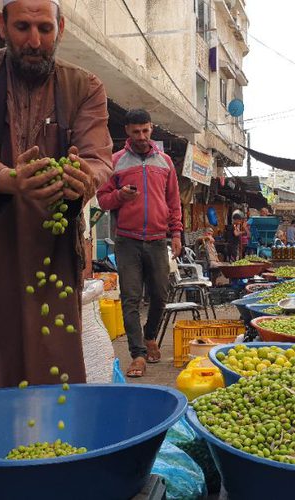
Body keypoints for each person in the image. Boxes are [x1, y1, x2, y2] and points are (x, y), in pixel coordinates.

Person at [0, 0, 113, 393]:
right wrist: (8, 178)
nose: (34, 41)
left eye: (44, 29)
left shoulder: (85, 86)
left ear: (60, 28)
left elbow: (98, 157)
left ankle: (49, 452)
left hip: (53, 254)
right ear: (1, 25)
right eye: (22, 27)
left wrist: (85, 178)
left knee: (52, 367)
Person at [96, 108, 183, 378]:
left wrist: (177, 233)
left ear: (151, 128)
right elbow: (102, 199)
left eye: (145, 131)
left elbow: (173, 202)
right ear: (127, 132)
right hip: (127, 241)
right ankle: (137, 354)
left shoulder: (166, 162)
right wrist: (120, 196)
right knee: (131, 298)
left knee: (160, 295)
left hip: (158, 240)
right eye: (136, 132)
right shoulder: (116, 162)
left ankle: (149, 337)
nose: (142, 136)